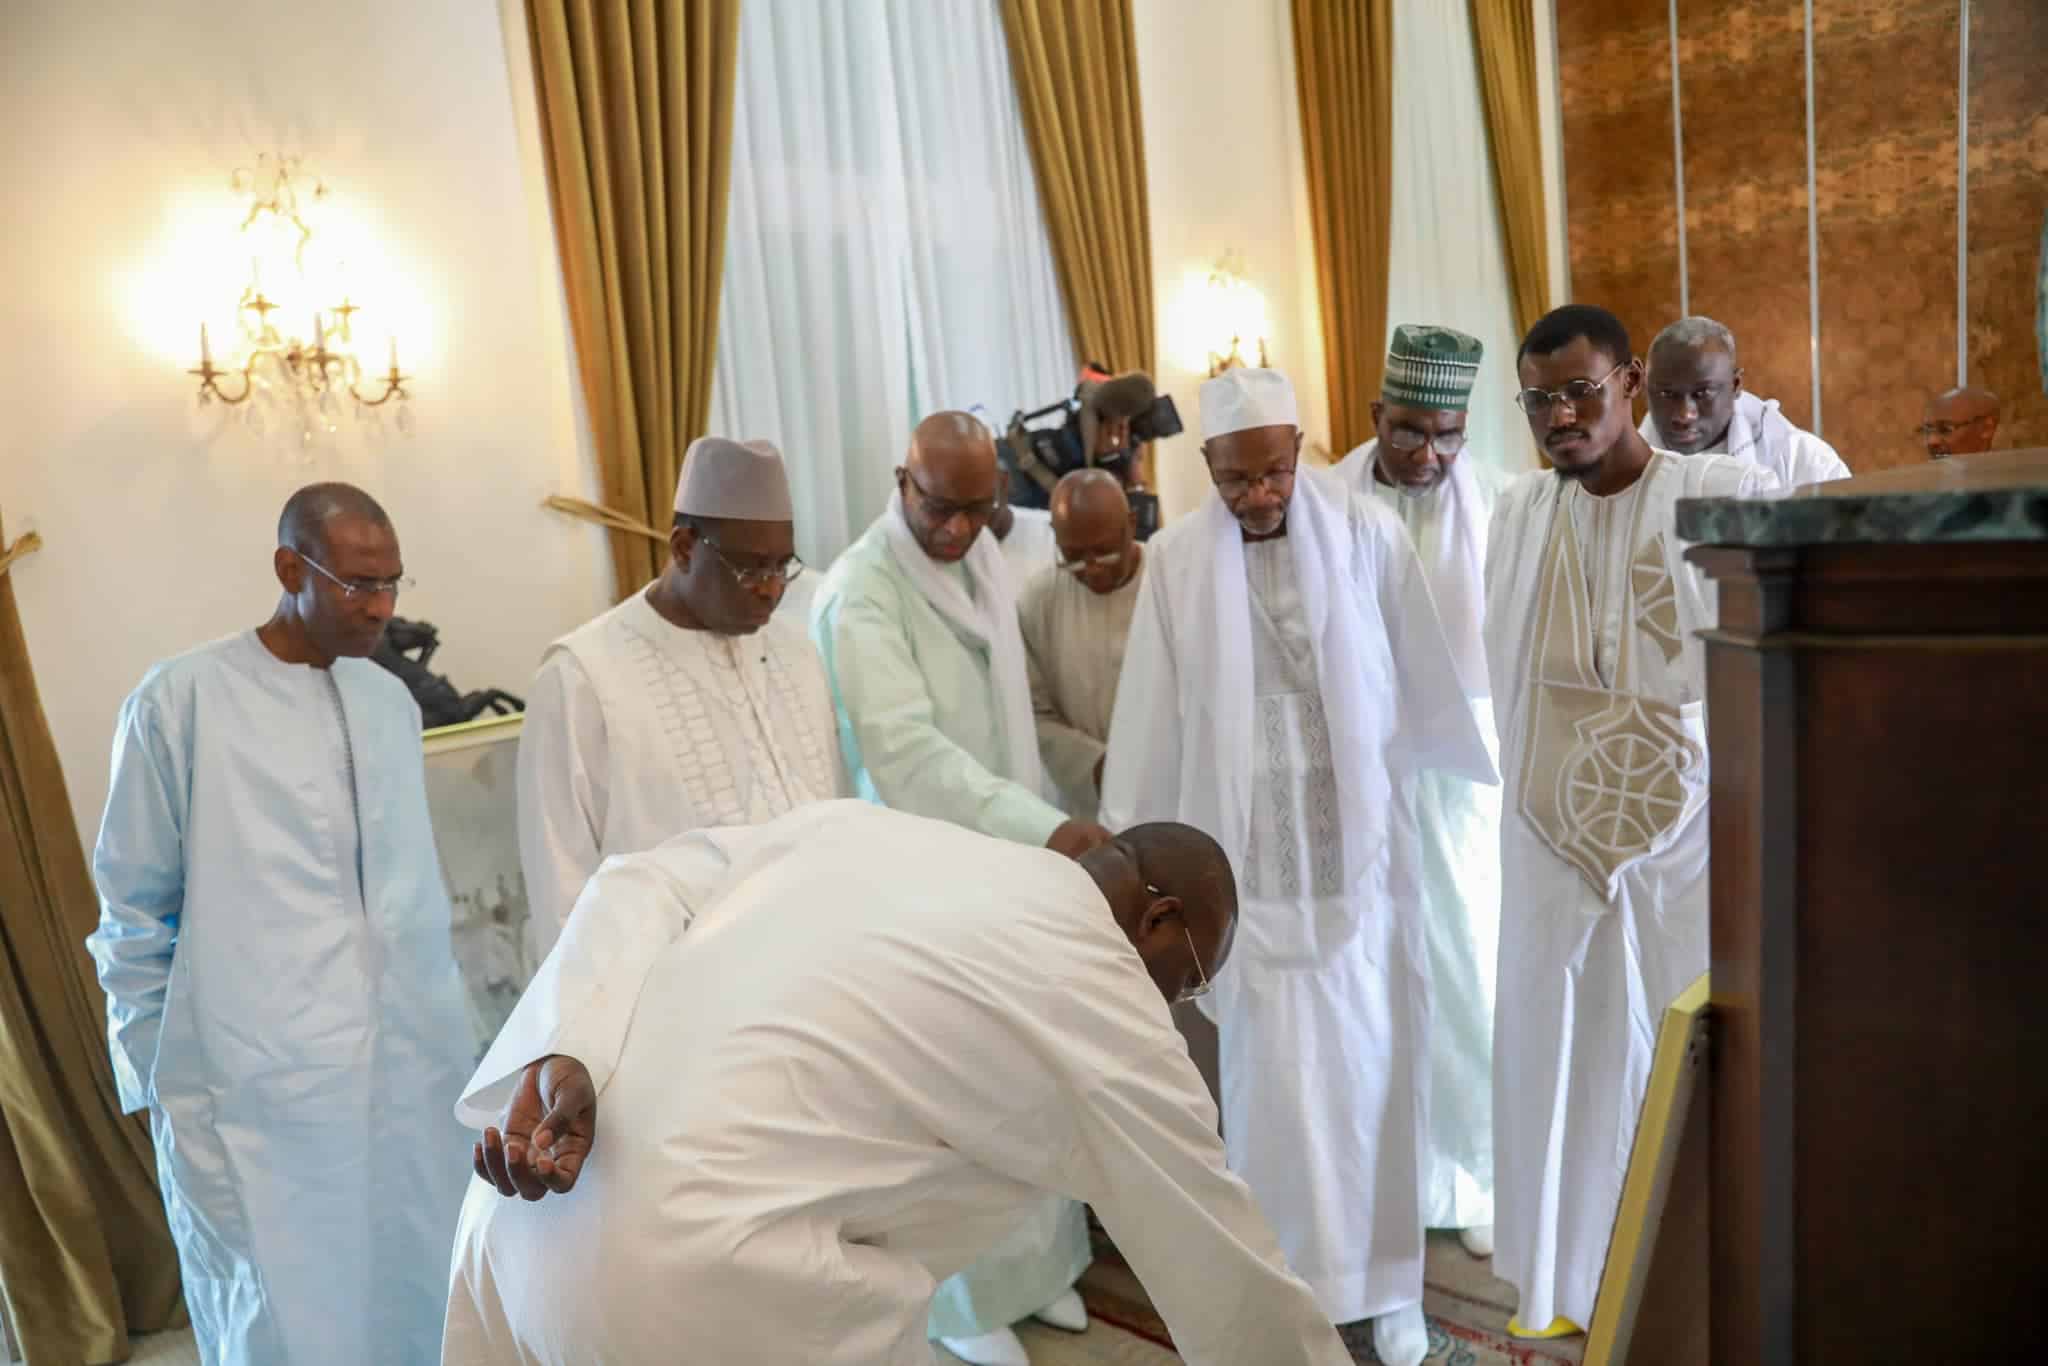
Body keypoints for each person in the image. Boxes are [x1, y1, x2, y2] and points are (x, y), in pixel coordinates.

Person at [442, 802, 1352, 1366]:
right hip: (696, 1283)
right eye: (1190, 983)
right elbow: (1224, 1259)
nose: (1175, 1010)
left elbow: (638, 878)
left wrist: (568, 1050)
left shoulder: (866, 830)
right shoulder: (1102, 986)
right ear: (1158, 922)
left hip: (514, 1226)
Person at [1101, 367, 1496, 1366]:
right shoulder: (1178, 562)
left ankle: (1388, 1290)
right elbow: (1150, 716)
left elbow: (1421, 687)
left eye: (1274, 472)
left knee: (1373, 1081)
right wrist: (1137, 854)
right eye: (1236, 480)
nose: (1260, 495)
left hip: (1356, 872)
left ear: (1299, 451)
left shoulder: (1367, 532)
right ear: (1206, 469)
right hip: (1250, 887)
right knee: (1274, 1106)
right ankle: (1295, 1292)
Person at [86, 483, 473, 1366]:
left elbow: (407, 894)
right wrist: (158, 1078)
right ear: (289, 568)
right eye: (355, 584)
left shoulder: (389, 703)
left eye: (392, 584)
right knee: (286, 1316)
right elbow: (130, 907)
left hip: (406, 1074)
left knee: (421, 1284)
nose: (379, 607)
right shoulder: (181, 700)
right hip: (256, 1093)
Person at [1486, 306, 1778, 1339]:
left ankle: (1706, 1270)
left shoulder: (1714, 494)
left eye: (1578, 390)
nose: (1559, 415)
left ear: (1625, 386)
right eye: (1537, 399)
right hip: (1548, 817)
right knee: (1554, 1034)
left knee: (1687, 1038)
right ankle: (1562, 1280)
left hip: (1683, 825)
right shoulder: (1519, 512)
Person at [810, 411, 1107, 1364]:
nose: (958, 528)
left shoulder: (982, 552)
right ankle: (965, 1305)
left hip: (1006, 863)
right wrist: (1045, 826)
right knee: (946, 1096)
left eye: (979, 509)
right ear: (903, 481)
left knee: (1026, 1069)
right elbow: (904, 755)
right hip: (919, 874)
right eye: (940, 506)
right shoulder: (864, 591)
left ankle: (1039, 1269)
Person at [516, 437, 839, 959]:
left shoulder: (796, 654)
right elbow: (561, 894)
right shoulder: (582, 679)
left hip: (817, 971)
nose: (771, 590)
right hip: (674, 1002)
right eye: (752, 569)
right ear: (685, 546)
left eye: (783, 567)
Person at [1336, 324, 1505, 1260]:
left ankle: (1475, 1174)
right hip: (1366, 787)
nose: (1429, 455)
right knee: (1375, 988)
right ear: (1376, 416)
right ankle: (1392, 1180)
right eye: (1409, 432)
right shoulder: (1323, 503)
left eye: (1448, 435)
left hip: (1465, 792)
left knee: (1469, 980)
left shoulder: (1506, 505)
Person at [1017, 469, 1145, 823]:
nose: (1091, 569)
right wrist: (1097, 765)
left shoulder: (1170, 586)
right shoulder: (1039, 600)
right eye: (1072, 555)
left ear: (1131, 525)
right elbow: (1032, 711)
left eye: (1104, 552)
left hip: (1170, 788)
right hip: (1087, 805)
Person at [1636, 316, 1850, 485]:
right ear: (1645, 389)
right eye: (1667, 394)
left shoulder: (1803, 460)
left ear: (1735, 385)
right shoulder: (1619, 472)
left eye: (1702, 393)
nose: (1684, 415)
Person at [1919, 384, 2001, 459]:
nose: (1932, 441)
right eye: (1927, 431)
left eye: (1945, 429)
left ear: (1986, 428)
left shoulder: (2008, 474)